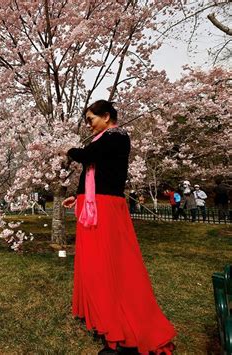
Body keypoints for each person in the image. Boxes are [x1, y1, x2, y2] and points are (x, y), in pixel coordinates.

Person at [62, 100, 175, 354]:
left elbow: (87, 156)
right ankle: (100, 311)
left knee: (110, 262)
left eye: (90, 119)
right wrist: (77, 195)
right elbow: (92, 171)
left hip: (107, 207)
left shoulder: (117, 136)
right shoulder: (102, 138)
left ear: (106, 116)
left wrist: (69, 150)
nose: (88, 125)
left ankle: (120, 319)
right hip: (93, 204)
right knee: (93, 263)